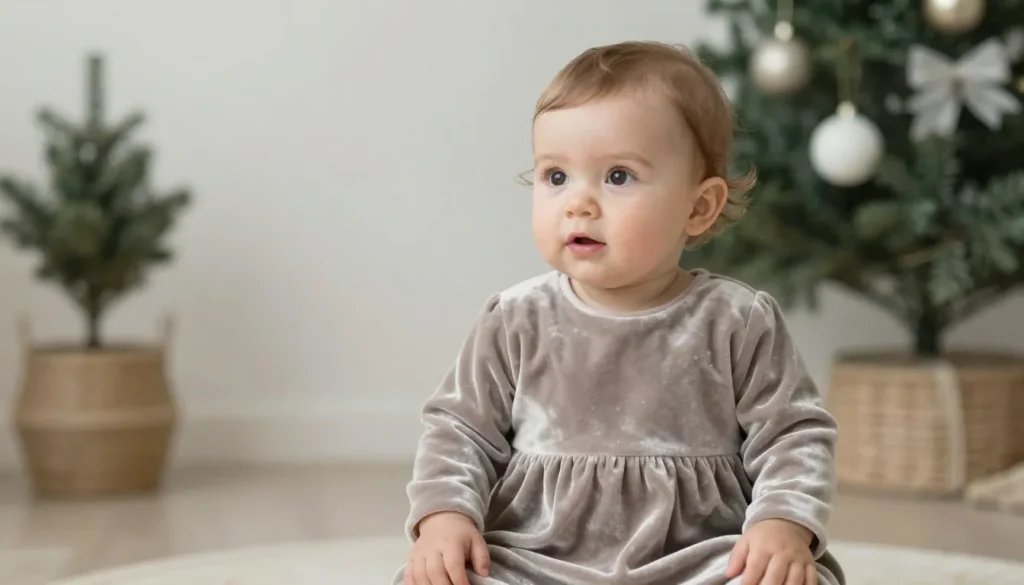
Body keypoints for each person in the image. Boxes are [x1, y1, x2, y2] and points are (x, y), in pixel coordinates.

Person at [394, 40, 845, 585]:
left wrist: (782, 524)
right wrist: (444, 517)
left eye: (618, 177)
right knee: (439, 579)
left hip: (696, 556)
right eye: (556, 177)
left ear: (699, 207)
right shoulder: (517, 318)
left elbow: (793, 434)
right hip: (539, 554)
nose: (578, 203)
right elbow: (458, 430)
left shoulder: (737, 320)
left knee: (789, 580)